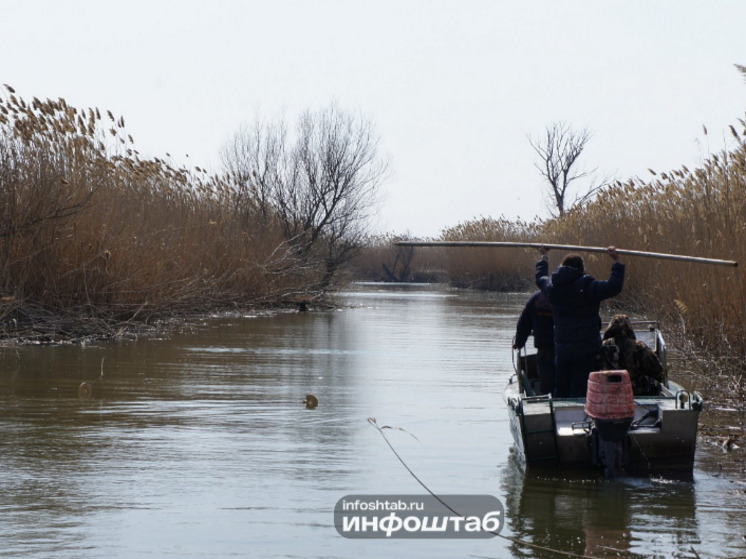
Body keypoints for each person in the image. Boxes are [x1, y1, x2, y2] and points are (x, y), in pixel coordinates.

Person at [536, 246, 625, 398]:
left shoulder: (553, 287)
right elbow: (614, 286)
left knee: (561, 388)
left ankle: (559, 418)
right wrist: (617, 261)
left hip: (562, 349)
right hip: (585, 350)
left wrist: (544, 257)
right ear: (581, 269)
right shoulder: (588, 287)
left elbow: (540, 278)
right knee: (580, 392)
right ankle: (578, 420)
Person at [513, 290, 555, 395]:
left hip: (545, 350)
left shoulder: (536, 297)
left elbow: (524, 323)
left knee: (546, 387)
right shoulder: (577, 292)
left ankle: (548, 406)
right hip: (575, 349)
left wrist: (519, 343)